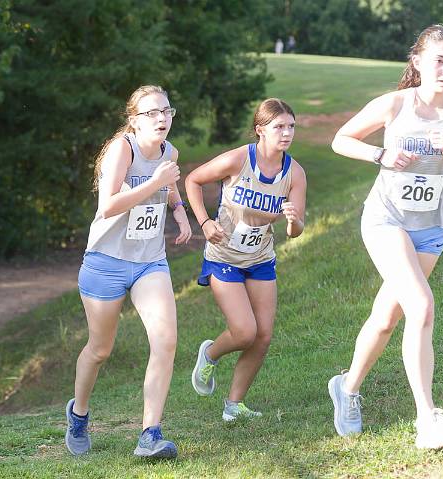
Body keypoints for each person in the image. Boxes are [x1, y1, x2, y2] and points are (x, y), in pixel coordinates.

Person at [328, 24, 443, 449]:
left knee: (388, 318)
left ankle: (346, 388)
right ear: (418, 62)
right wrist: (381, 154)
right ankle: (427, 420)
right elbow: (341, 139)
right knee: (421, 305)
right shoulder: (394, 104)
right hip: (386, 219)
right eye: (439, 60)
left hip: (433, 228)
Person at [65, 85, 191, 458]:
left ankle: (150, 434)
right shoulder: (124, 149)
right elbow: (108, 206)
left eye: (166, 111)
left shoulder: (170, 151)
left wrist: (179, 209)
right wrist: (155, 183)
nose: (161, 119)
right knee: (100, 349)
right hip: (106, 260)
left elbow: (169, 186)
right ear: (133, 120)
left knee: (166, 340)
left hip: (149, 260)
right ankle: (78, 413)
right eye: (151, 113)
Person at [186, 98, 306, 421]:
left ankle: (234, 406)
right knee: (244, 332)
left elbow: (296, 231)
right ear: (260, 130)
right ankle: (209, 355)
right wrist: (205, 222)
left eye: (291, 126)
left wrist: (293, 220)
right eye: (278, 127)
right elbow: (193, 180)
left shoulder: (294, 173)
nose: (286, 133)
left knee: (263, 335)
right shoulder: (239, 160)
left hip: (261, 257)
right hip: (224, 255)